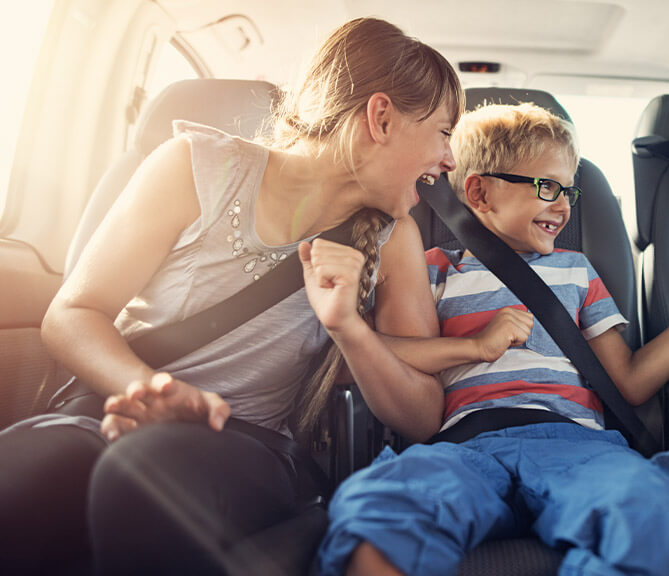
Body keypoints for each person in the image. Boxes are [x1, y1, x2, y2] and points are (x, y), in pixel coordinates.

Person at [0, 17, 461, 575]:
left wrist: (349, 329)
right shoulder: (191, 167)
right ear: (381, 118)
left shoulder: (394, 239)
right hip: (107, 408)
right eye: (442, 132)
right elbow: (73, 314)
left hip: (248, 448)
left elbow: (422, 417)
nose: (451, 160)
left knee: (145, 473)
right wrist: (149, 391)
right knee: (25, 475)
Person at [316, 102, 669, 576]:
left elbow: (629, 384)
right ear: (480, 193)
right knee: (380, 509)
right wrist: (473, 346)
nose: (564, 206)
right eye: (548, 187)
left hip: (576, 444)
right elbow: (383, 351)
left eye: (569, 192)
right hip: (463, 446)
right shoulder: (438, 269)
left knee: (657, 513)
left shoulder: (577, 271)